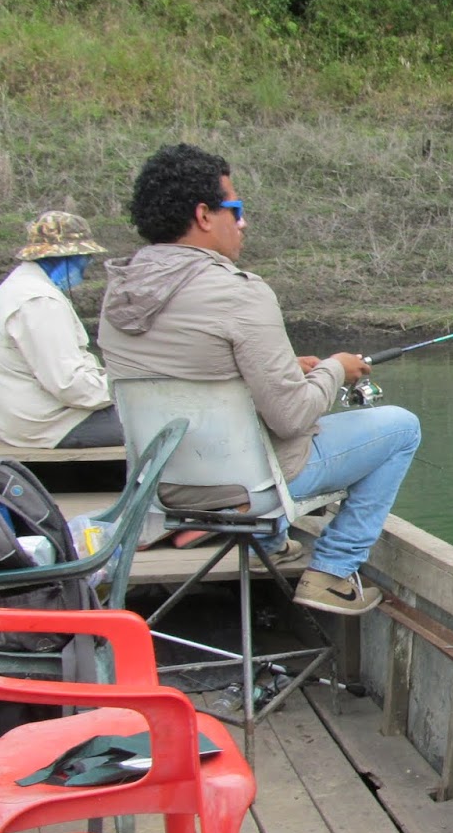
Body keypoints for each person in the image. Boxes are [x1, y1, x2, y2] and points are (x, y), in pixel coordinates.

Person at [97, 143, 420, 616]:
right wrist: (336, 368)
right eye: (236, 209)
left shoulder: (116, 296)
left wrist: (289, 369)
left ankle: (272, 540)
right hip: (248, 487)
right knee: (401, 427)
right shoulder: (239, 293)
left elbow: (198, 375)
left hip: (165, 488)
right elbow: (290, 418)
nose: (243, 222)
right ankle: (332, 571)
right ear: (204, 215)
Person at [0, 211, 125, 448]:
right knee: (163, 422)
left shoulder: (20, 287)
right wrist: (126, 387)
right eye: (84, 257)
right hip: (51, 424)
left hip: (27, 421)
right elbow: (70, 386)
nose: (87, 266)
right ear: (67, 256)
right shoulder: (39, 301)